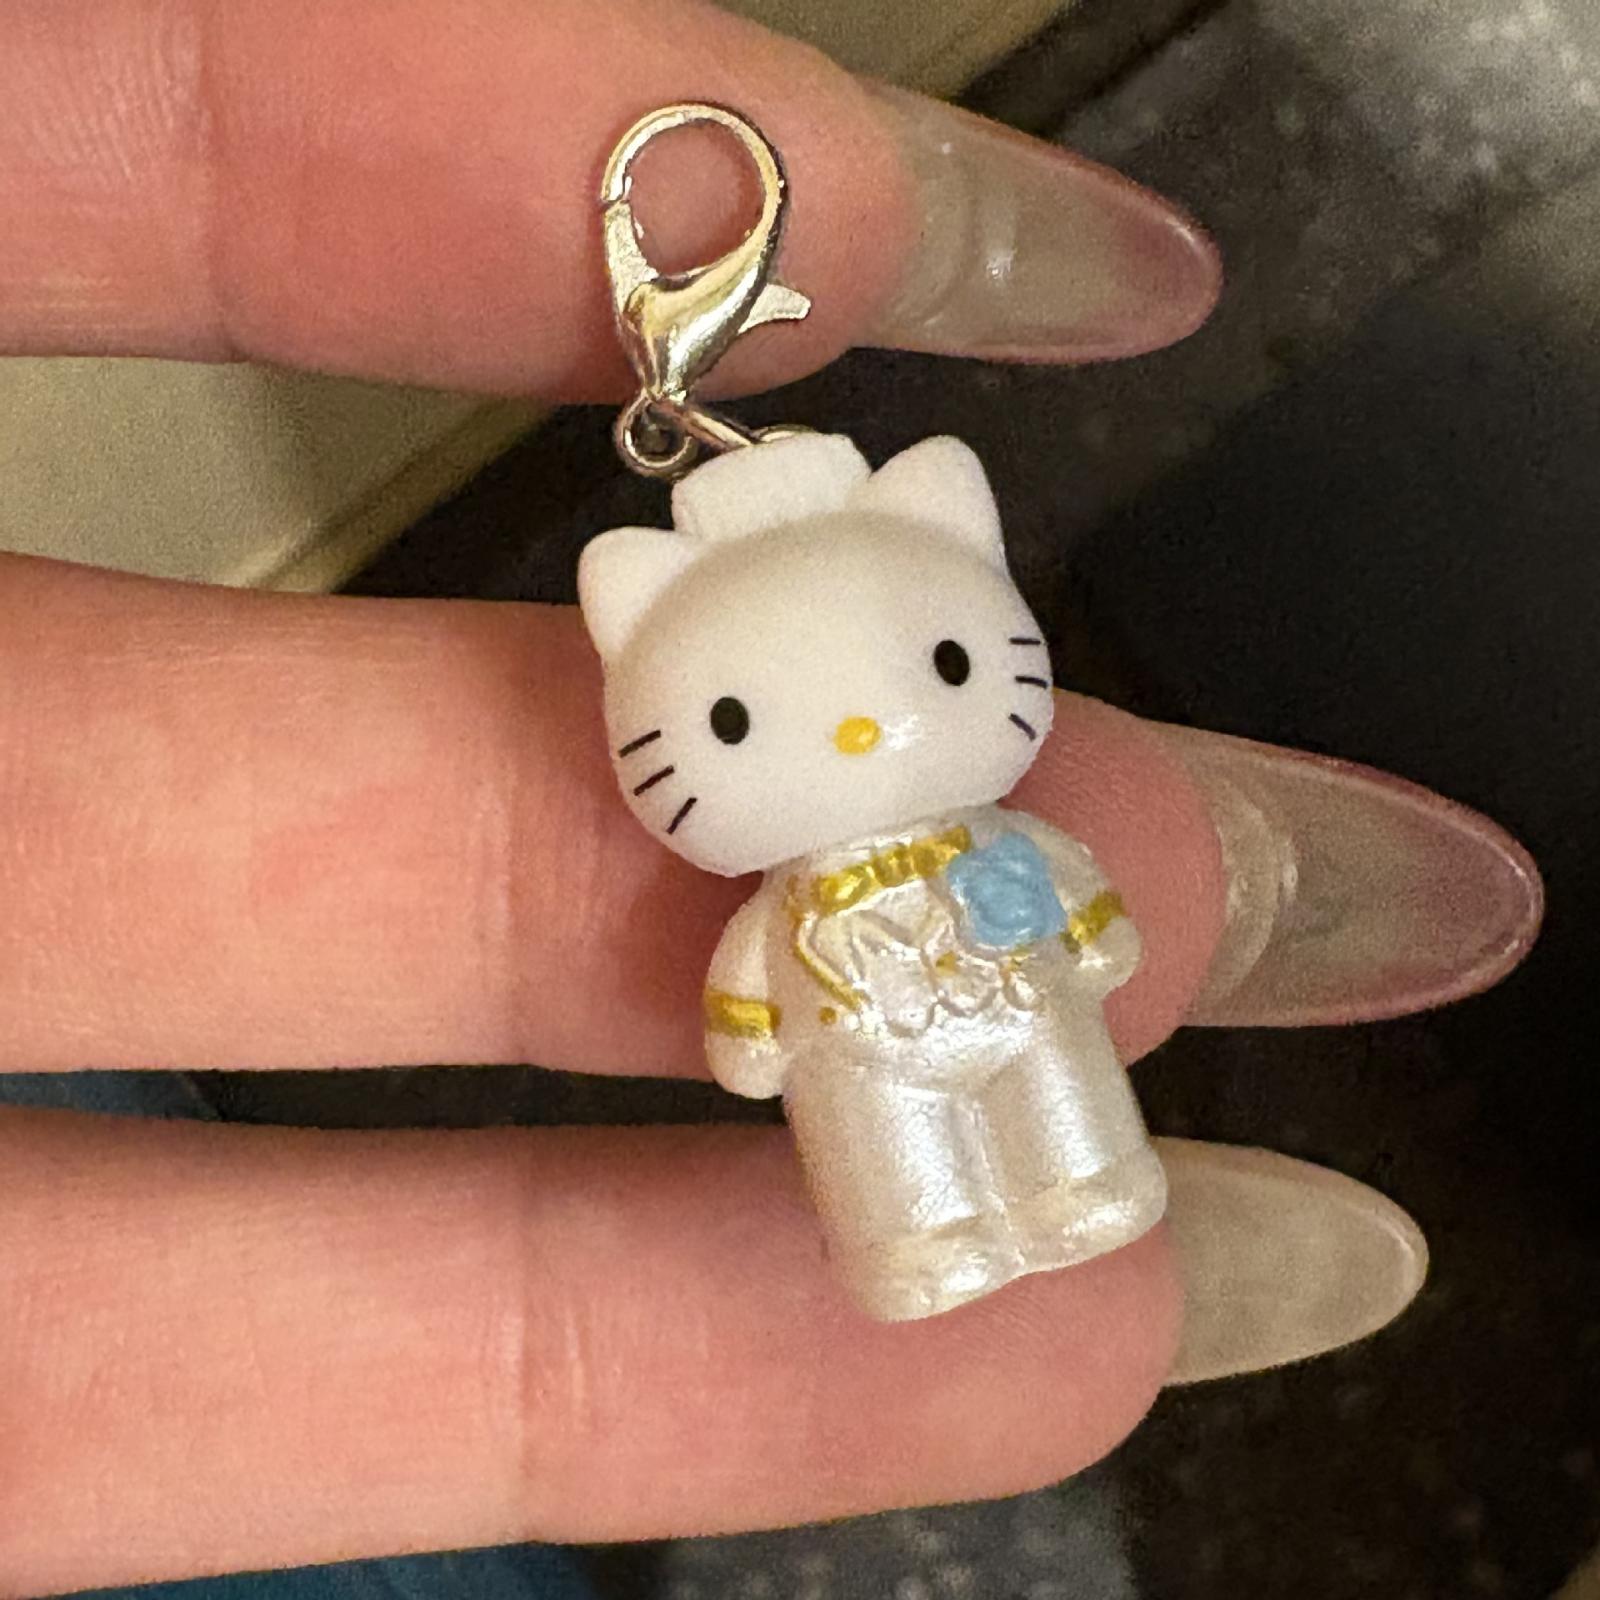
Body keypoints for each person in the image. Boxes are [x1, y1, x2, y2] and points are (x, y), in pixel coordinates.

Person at [0, 0, 1540, 1593]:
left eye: (938, 665)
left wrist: (1080, 929)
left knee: (1060, 1107)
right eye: (735, 720)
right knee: (888, 1156)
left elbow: (1085, 907)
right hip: (859, 1054)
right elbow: (747, 1007)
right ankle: (918, 1233)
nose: (862, 730)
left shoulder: (987, 813)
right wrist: (753, 1025)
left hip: (1010, 1002)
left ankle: (1086, 1178)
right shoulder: (774, 880)